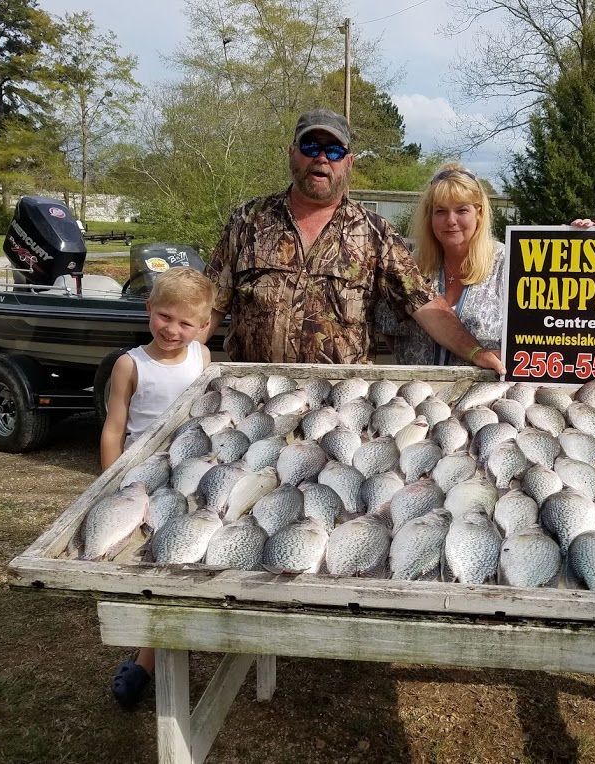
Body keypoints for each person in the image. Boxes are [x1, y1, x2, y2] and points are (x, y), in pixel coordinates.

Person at [202, 108, 506, 375]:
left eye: (334, 151)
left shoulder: (375, 232)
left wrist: (476, 352)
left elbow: (425, 304)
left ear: (349, 162)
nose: (322, 158)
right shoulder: (247, 221)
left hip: (341, 403)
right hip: (254, 394)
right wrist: (176, 361)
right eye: (311, 146)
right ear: (292, 152)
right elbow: (208, 306)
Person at [99, 266, 216, 709]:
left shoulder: (202, 356)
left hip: (191, 470)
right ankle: (149, 654)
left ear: (203, 325)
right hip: (142, 474)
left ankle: (170, 637)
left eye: (186, 322)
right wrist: (110, 482)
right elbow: (114, 427)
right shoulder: (130, 364)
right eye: (165, 316)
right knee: (148, 561)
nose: (173, 329)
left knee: (186, 550)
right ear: (149, 310)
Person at [379, 161, 595, 365]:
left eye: (462, 210)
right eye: (441, 211)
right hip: (420, 400)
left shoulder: (512, 263)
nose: (451, 220)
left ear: (480, 213)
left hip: (488, 401)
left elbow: (566, 319)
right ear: (430, 217)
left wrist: (583, 251)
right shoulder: (410, 267)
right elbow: (387, 327)